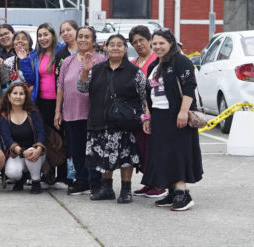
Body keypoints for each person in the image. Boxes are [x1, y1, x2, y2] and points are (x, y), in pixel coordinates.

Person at [78, 34, 147, 203]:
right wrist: (85, 71)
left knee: (126, 157)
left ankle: (126, 190)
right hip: (99, 119)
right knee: (103, 156)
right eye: (112, 45)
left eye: (119, 45)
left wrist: (146, 117)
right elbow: (81, 88)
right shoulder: (97, 68)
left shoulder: (135, 71)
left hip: (125, 122)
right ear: (106, 48)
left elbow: (144, 96)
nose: (115, 48)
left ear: (125, 49)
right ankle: (106, 188)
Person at [141, 29, 203, 211]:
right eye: (155, 44)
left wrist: (183, 112)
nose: (158, 47)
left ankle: (183, 194)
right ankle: (171, 192)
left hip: (176, 114)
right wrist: (147, 117)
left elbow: (189, 87)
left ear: (171, 43)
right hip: (159, 115)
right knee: (163, 155)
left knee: (178, 153)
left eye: (162, 43)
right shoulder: (154, 66)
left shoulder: (181, 61)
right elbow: (148, 94)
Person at [55, 25, 106, 196]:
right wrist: (58, 111)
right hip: (70, 112)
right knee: (76, 150)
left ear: (93, 41)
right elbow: (60, 87)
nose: (83, 39)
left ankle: (96, 182)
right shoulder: (68, 61)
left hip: (93, 114)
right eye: (80, 36)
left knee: (93, 149)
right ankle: (81, 181)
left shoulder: (101, 60)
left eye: (87, 37)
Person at [19, 22, 67, 186]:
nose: (43, 38)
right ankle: (47, 175)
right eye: (40, 35)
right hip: (41, 102)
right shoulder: (36, 55)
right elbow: (30, 79)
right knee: (45, 138)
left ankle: (62, 177)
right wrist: (24, 60)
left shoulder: (62, 52)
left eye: (46, 34)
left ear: (53, 36)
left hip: (59, 102)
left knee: (60, 139)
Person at [127, 25, 164, 198]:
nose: (138, 44)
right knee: (141, 149)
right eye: (135, 42)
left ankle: (159, 184)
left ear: (149, 40)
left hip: (154, 111)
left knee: (154, 148)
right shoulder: (133, 62)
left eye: (141, 40)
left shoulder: (157, 60)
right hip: (136, 113)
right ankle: (148, 182)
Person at [0, 81, 47, 193]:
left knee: (31, 151)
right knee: (12, 172)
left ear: (26, 96)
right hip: (17, 153)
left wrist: (39, 149)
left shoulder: (33, 112)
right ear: (9, 96)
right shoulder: (4, 115)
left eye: (21, 94)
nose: (18, 96)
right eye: (15, 93)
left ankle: (35, 181)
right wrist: (21, 151)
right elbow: (7, 138)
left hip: (37, 154)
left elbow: (41, 133)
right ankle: (21, 178)